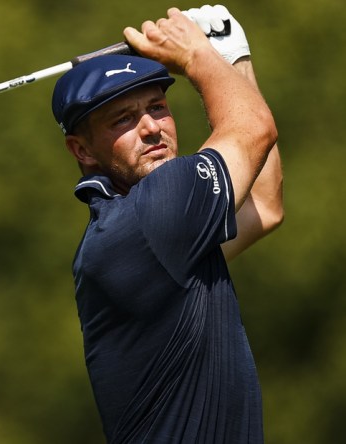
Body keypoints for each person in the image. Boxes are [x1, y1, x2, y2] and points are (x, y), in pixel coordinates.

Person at [51, 5, 282, 443]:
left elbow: (264, 205)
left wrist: (232, 59)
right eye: (122, 119)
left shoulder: (161, 231)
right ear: (82, 151)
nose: (150, 128)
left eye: (157, 107)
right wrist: (199, 56)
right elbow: (254, 129)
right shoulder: (150, 218)